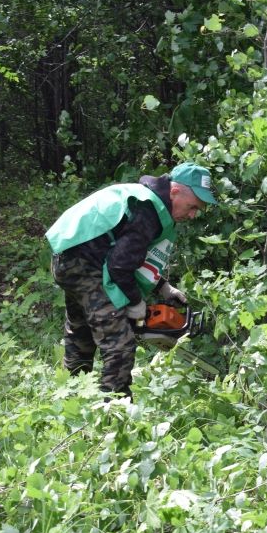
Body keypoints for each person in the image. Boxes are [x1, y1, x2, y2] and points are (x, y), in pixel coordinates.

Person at [46, 162, 217, 396]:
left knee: (81, 331)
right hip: (85, 263)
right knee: (120, 344)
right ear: (175, 191)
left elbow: (127, 253)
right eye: (192, 206)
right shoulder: (148, 209)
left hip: (69, 257)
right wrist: (135, 302)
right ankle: (115, 412)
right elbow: (119, 265)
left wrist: (163, 287)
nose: (193, 214)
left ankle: (72, 395)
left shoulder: (144, 199)